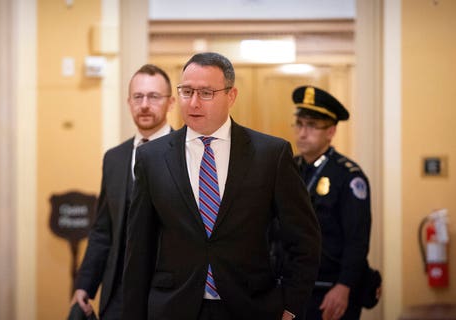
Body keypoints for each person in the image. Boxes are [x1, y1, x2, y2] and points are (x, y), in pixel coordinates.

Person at [122, 52, 321, 320]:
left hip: (251, 307)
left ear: (231, 95)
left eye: (206, 93)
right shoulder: (151, 158)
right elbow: (139, 250)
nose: (193, 102)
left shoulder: (270, 154)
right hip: (173, 307)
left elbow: (304, 240)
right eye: (187, 91)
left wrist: (291, 307)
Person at [70, 64, 175, 320]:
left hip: (170, 293)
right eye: (138, 97)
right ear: (129, 102)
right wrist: (85, 284)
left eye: (154, 96)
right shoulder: (114, 158)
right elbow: (102, 229)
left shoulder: (186, 153)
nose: (145, 104)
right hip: (118, 293)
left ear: (171, 103)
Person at [290, 85, 372, 320]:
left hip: (330, 288)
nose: (302, 133)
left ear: (331, 131)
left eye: (312, 126)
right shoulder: (289, 169)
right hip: (294, 285)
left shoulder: (348, 176)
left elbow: (357, 239)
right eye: (299, 124)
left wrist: (344, 286)